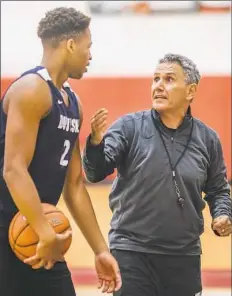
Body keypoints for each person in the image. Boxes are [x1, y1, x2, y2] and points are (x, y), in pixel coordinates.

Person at [82, 53, 232, 296]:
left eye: (169, 79)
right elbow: (95, 172)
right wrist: (96, 144)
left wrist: (223, 214)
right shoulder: (129, 127)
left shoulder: (208, 138)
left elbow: (218, 190)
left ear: (190, 91)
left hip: (184, 255)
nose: (159, 86)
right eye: (156, 79)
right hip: (131, 252)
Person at [0, 7, 121, 296]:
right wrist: (44, 231)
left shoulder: (72, 103)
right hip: (14, 227)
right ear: (70, 45)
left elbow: (75, 184)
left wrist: (100, 250)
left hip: (37, 229)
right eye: (88, 46)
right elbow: (13, 169)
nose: (90, 55)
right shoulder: (31, 90)